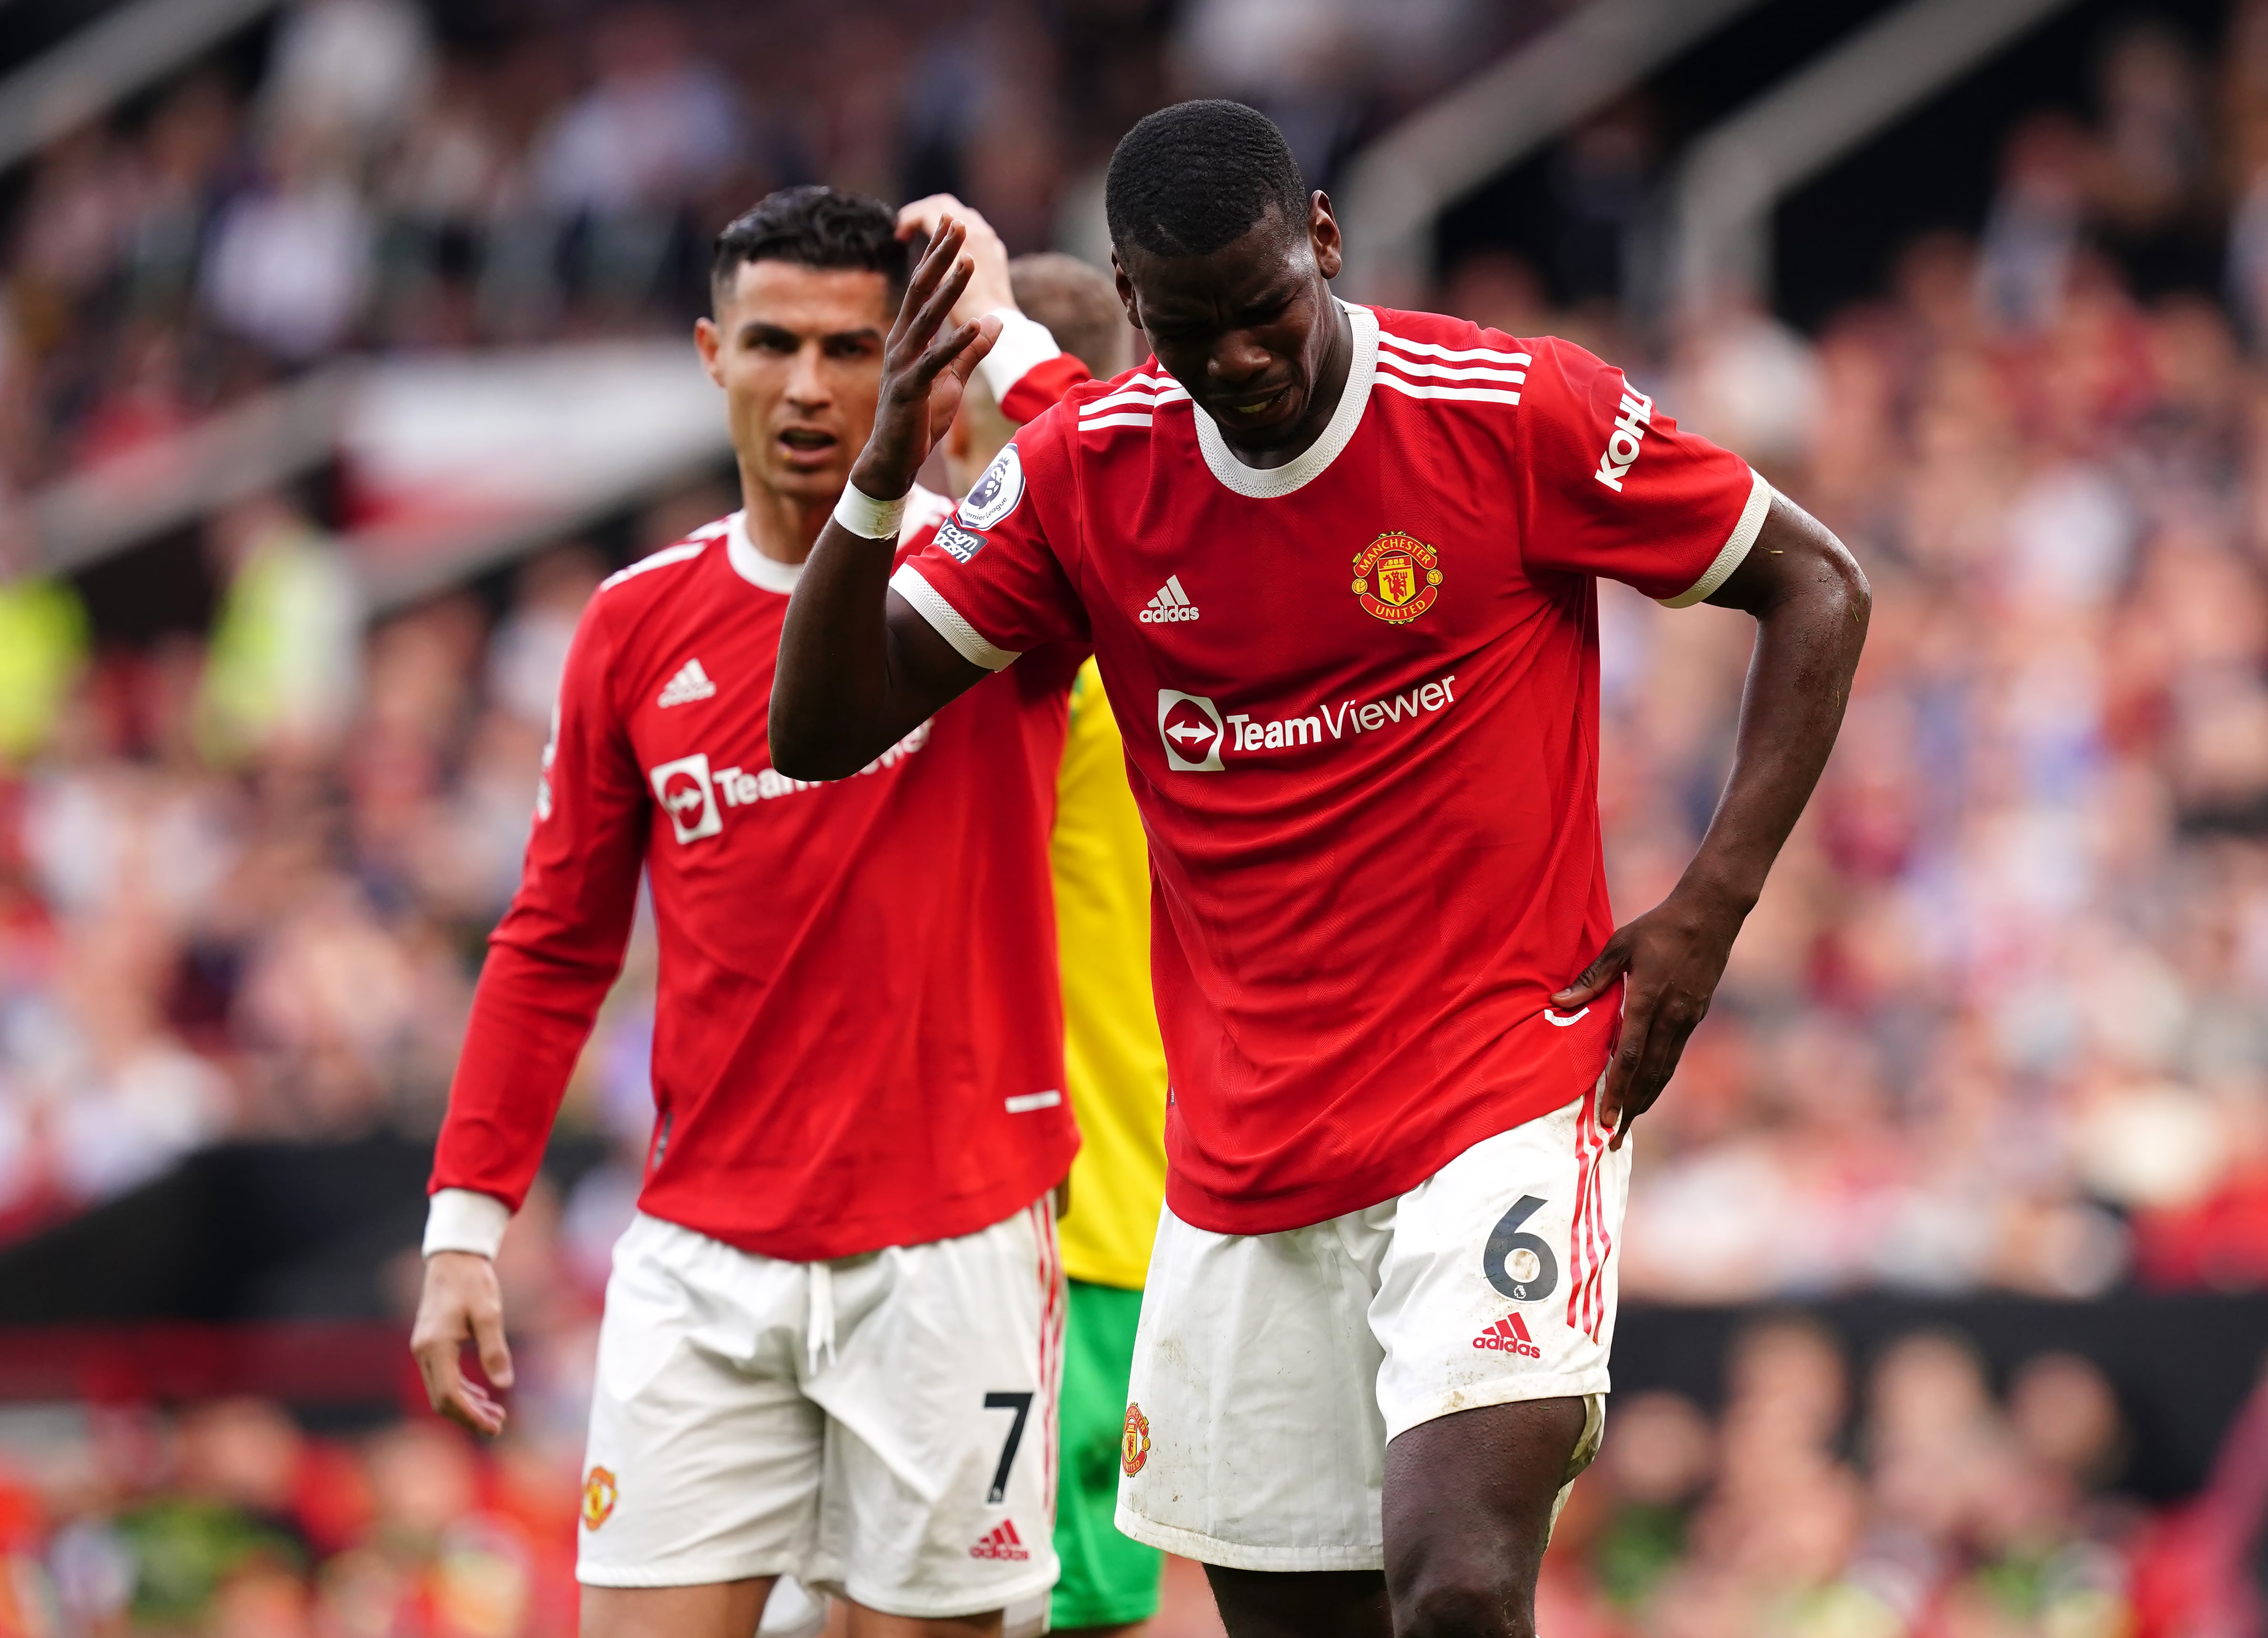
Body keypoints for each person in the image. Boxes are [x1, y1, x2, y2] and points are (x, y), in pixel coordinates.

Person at [768, 101, 1871, 1638]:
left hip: (1502, 1089)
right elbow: (817, 727)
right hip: (1239, 1163)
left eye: (1267, 309)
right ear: (1132, 302)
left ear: (1328, 245)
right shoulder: (1088, 473)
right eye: (1190, 329)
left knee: (1460, 1590)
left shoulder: (1508, 408)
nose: (1236, 362)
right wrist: (887, 461)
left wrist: (1709, 910)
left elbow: (1816, 582)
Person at [409, 185, 1093, 1638]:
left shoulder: (993, 578)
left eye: (853, 350)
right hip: (702, 1257)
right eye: (773, 343)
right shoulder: (633, 622)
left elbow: (1158, 499)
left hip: (955, 1245)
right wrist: (465, 1224)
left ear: (915, 365)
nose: (808, 386)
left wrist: (1009, 328)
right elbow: (553, 943)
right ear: (710, 353)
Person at [930, 234, 1166, 1637]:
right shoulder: (1169, 604)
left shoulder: (1046, 630)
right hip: (1119, 1183)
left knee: (1057, 1607)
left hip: (1058, 1203)